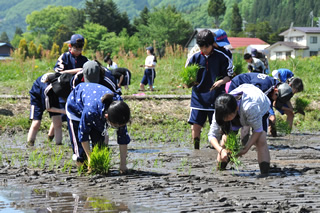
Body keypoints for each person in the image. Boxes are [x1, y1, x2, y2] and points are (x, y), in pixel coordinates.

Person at [66, 82, 131, 173]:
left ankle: (97, 168)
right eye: (115, 126)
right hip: (75, 106)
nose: (118, 127)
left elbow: (123, 138)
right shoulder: (91, 110)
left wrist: (123, 165)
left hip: (97, 107)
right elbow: (83, 134)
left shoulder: (119, 109)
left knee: (99, 148)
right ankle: (82, 170)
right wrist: (90, 158)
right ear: (107, 117)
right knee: (81, 155)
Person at [185, 29, 233, 149]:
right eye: (201, 47)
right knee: (196, 125)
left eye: (206, 47)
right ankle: (196, 147)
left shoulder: (222, 57)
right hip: (198, 97)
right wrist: (189, 82)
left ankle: (216, 148)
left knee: (217, 125)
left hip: (216, 96)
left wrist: (221, 81)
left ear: (212, 44)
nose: (203, 50)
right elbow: (186, 76)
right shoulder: (194, 57)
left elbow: (229, 75)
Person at [208, 84, 271, 175]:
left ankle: (264, 174)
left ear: (236, 109)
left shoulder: (250, 107)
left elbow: (257, 130)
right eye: (225, 118)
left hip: (260, 105)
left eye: (229, 117)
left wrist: (246, 148)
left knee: (261, 140)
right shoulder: (220, 110)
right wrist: (221, 150)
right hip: (239, 107)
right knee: (225, 141)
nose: (228, 120)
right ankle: (220, 171)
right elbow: (212, 135)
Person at [228, 72, 295, 137]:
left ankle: (257, 138)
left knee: (259, 118)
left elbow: (265, 112)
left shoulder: (274, 89)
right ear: (276, 91)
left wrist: (263, 133)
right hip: (238, 84)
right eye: (276, 99)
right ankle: (230, 136)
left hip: (251, 90)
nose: (275, 101)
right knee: (236, 115)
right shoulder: (264, 88)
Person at [27, 75, 64, 146]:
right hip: (37, 97)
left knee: (58, 122)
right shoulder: (46, 90)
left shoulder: (61, 82)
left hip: (53, 95)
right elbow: (48, 108)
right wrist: (63, 111)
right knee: (36, 123)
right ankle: (30, 143)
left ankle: (58, 144)